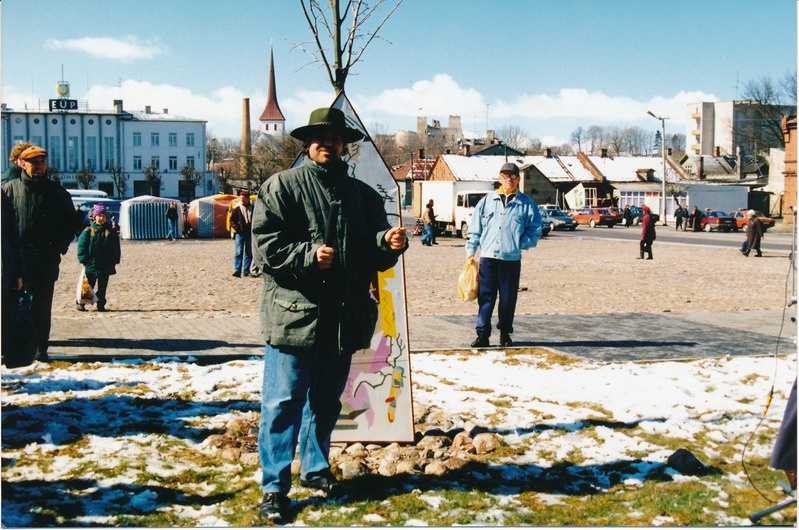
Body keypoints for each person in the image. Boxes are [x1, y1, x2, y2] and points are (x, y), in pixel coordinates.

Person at [250, 106, 408, 520]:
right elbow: (265, 249)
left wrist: (388, 243)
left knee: (325, 403)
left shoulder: (362, 195)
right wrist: (306, 256)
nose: (328, 144)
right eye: (320, 138)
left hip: (343, 317)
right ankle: (274, 486)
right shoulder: (281, 186)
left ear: (344, 145)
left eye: (335, 138)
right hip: (294, 317)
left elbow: (371, 253)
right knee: (282, 404)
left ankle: (316, 468)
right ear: (308, 143)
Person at [2, 145, 77, 362]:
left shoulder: (57, 192)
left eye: (42, 161)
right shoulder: (9, 190)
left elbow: (69, 224)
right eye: (34, 162)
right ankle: (10, 348)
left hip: (45, 259)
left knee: (42, 306)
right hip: (17, 259)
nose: (39, 166)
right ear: (22, 164)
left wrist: (58, 248)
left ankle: (40, 348)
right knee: (10, 305)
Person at [466, 162, 541, 348]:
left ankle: (505, 333)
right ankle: (482, 334)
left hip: (511, 260)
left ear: (518, 179)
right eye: (505, 176)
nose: (509, 180)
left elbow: (535, 231)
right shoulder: (486, 201)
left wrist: (519, 244)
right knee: (485, 298)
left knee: (508, 299)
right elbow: (475, 229)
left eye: (513, 176)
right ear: (500, 178)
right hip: (488, 259)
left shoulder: (527, 204)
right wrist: (470, 252)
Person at [76, 203, 121, 312]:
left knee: (102, 287)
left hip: (105, 264)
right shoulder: (88, 231)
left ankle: (100, 304)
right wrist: (83, 259)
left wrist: (115, 260)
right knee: (88, 285)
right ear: (94, 217)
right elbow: (82, 246)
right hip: (91, 263)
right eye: (99, 215)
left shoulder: (110, 232)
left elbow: (115, 247)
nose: (101, 218)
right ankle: (81, 303)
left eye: (103, 216)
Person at [229, 190, 254, 277]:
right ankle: (237, 270)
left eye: (244, 198)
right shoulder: (237, 208)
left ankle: (246, 271)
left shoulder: (253, 208)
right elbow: (231, 220)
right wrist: (237, 228)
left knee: (249, 252)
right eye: (241, 198)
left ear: (248, 199)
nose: (242, 200)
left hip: (250, 233)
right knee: (238, 251)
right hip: (240, 233)